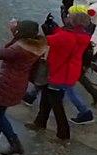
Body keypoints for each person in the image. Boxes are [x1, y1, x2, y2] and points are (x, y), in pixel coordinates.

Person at [0, 20, 45, 155]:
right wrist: (15, 32)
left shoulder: (19, 49)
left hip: (7, 82)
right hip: (18, 82)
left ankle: (14, 142)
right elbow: (13, 45)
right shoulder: (34, 47)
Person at [29, 7, 93, 140]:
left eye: (70, 17)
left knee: (56, 104)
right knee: (46, 97)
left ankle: (63, 133)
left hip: (58, 73)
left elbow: (48, 40)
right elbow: (60, 35)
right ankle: (40, 122)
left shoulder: (67, 36)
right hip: (67, 73)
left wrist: (45, 31)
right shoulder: (81, 35)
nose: (67, 18)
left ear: (73, 22)